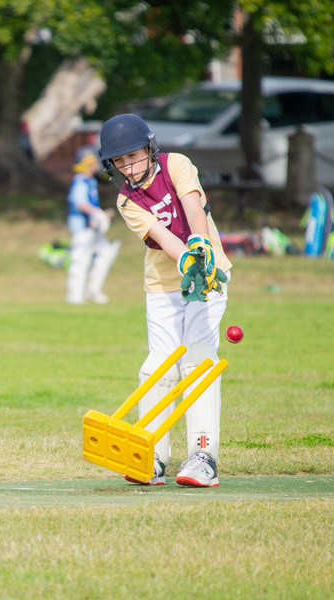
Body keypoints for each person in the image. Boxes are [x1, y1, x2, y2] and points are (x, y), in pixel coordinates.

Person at [98, 114, 232, 488]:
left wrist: (201, 250)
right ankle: (151, 454)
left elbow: (193, 209)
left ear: (150, 148)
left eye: (133, 156)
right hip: (163, 284)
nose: (128, 167)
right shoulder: (127, 201)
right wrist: (186, 257)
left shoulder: (177, 164)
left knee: (198, 361)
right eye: (119, 162)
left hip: (210, 274)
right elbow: (163, 236)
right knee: (157, 367)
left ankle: (204, 455)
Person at [65, 146, 121, 304]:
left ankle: (92, 289)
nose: (94, 165)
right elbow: (80, 203)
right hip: (82, 229)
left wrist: (101, 214)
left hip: (93, 229)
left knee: (106, 252)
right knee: (81, 259)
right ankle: (75, 294)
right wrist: (97, 213)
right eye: (90, 163)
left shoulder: (89, 181)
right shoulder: (80, 181)